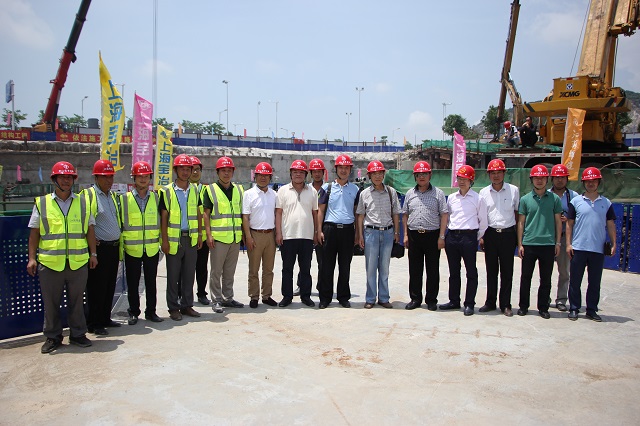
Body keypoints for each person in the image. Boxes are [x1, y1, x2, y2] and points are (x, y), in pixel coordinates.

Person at [27, 161, 96, 353]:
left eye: (69, 177)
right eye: (62, 177)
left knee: (77, 302)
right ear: (54, 179)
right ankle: (53, 337)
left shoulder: (83, 203)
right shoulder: (42, 203)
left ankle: (78, 334)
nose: (66, 181)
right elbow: (34, 233)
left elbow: (90, 230)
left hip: (77, 262)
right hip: (50, 263)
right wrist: (32, 258)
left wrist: (93, 254)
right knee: (51, 304)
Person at [566, 167, 617, 322]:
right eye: (588, 181)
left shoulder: (606, 203)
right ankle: (574, 308)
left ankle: (592, 310)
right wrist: (568, 244)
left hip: (597, 248)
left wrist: (614, 243)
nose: (591, 184)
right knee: (575, 281)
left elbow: (610, 224)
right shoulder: (575, 202)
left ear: (598, 182)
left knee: (594, 282)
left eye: (594, 181)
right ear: (583, 183)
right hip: (578, 247)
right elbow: (569, 224)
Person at [439, 166, 488, 316]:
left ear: (471, 180)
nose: (461, 182)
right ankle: (454, 300)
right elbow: (447, 217)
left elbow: (483, 222)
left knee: (471, 272)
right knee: (454, 271)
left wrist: (474, 237)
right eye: (459, 178)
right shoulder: (452, 198)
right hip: (453, 237)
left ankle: (469, 303)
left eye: (465, 179)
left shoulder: (478, 199)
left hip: (469, 237)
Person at [159, 154, 203, 321]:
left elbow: (198, 213)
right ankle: (173, 307)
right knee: (173, 276)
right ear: (175, 170)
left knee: (189, 275)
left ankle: (187, 305)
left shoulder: (194, 190)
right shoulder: (166, 191)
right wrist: (164, 240)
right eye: (182, 169)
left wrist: (199, 234)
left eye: (188, 169)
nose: (185, 172)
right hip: (173, 240)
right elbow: (164, 217)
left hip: (190, 238)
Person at [517, 164, 562, 319]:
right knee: (526, 277)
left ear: (547, 179)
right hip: (529, 243)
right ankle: (523, 306)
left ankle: (543, 307)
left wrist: (558, 242)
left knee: (546, 278)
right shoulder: (525, 199)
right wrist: (520, 244)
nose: (539, 180)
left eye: (542, 178)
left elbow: (558, 222)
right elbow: (521, 222)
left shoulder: (554, 199)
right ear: (532, 180)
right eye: (536, 178)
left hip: (548, 244)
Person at [121, 161, 164, 325]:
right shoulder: (124, 199)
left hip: (151, 247)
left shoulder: (156, 198)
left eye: (146, 176)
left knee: (151, 282)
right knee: (133, 283)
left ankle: (151, 311)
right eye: (140, 176)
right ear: (134, 178)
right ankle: (133, 312)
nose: (143, 179)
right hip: (132, 248)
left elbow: (161, 221)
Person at [83, 159, 122, 336]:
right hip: (99, 250)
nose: (109, 180)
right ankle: (94, 323)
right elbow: (85, 222)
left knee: (109, 285)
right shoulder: (89, 195)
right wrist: (91, 247)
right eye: (105, 177)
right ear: (96, 177)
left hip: (113, 248)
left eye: (111, 177)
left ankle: (105, 318)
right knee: (96, 287)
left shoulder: (111, 196)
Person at [402, 161, 448, 311]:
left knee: (432, 269)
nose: (421, 177)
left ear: (430, 175)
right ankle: (415, 298)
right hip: (414, 235)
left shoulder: (438, 193)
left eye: (424, 174)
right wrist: (405, 235)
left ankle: (431, 300)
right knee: (414, 269)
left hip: (432, 235)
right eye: (418, 174)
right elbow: (405, 215)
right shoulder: (410, 194)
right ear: (415, 176)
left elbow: (444, 215)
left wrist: (441, 236)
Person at [317, 154, 360, 309]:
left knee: (345, 266)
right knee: (327, 266)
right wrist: (319, 230)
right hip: (330, 230)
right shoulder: (326, 188)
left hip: (347, 231)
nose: (343, 170)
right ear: (336, 169)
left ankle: (343, 297)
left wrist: (357, 233)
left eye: (346, 168)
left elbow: (357, 213)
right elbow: (320, 210)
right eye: (340, 167)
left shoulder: (355, 189)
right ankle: (325, 298)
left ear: (350, 170)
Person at [356, 160, 400, 309]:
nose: (377, 176)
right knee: (370, 268)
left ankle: (383, 298)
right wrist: (360, 235)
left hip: (387, 232)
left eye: (380, 173)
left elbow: (396, 213)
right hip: (371, 233)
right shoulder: (364, 194)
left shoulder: (391, 192)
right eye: (374, 174)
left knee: (384, 268)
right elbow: (360, 215)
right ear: (369, 176)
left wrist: (396, 232)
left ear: (383, 175)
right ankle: (370, 298)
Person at [203, 156, 245, 313]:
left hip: (234, 237)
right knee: (216, 271)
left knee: (229, 271)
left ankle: (228, 298)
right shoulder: (210, 190)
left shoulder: (239, 190)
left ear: (233, 172)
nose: (226, 173)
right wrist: (208, 235)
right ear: (217, 172)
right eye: (223, 171)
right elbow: (206, 214)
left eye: (229, 170)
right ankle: (216, 300)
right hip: (218, 239)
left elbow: (242, 214)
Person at [479, 159, 519, 317]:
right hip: (490, 234)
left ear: (504, 173)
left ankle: (505, 304)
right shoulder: (483, 193)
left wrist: (517, 236)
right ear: (488, 175)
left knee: (507, 271)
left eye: (499, 172)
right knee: (491, 270)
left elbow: (517, 213)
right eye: (493, 173)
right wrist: (482, 236)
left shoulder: (513, 190)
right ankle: (490, 302)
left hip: (508, 234)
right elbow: (482, 216)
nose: (496, 176)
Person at [275, 159, 319, 307]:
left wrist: (316, 232)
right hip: (288, 236)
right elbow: (278, 213)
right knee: (287, 269)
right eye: (295, 172)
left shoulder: (312, 191)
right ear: (291, 174)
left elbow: (315, 213)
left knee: (305, 269)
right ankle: (287, 297)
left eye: (301, 172)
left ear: (306, 174)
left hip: (307, 236)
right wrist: (278, 233)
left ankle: (305, 296)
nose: (298, 174)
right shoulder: (283, 191)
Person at [242, 162, 278, 308]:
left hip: (270, 235)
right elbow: (245, 217)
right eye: (260, 175)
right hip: (255, 234)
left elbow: (277, 214)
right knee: (253, 269)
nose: (263, 178)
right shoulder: (248, 194)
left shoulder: (274, 195)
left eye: (266, 175)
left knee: (268, 269)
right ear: (255, 176)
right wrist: (248, 237)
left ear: (270, 177)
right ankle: (254, 296)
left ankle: (266, 295)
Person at [294, 158, 327, 296]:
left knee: (322, 260)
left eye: (319, 171)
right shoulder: (306, 188)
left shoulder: (328, 189)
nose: (317, 174)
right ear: (311, 173)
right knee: (304, 261)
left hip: (323, 229)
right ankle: (301, 285)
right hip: (306, 228)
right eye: (314, 171)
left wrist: (319, 230)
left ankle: (321, 286)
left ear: (323, 173)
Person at [548, 164, 579, 312]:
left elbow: (580, 216)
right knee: (546, 271)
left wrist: (568, 219)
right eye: (556, 177)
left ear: (567, 179)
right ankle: (545, 298)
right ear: (552, 179)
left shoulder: (574, 197)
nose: (559, 180)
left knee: (564, 271)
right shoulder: (546, 194)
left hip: (564, 238)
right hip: (548, 237)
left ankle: (561, 299)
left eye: (562, 177)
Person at [189, 155, 212, 306]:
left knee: (202, 267)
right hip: (186, 236)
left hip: (202, 237)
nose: (195, 172)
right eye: (192, 169)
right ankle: (183, 294)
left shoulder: (206, 190)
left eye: (198, 169)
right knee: (185, 269)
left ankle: (202, 293)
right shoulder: (182, 190)